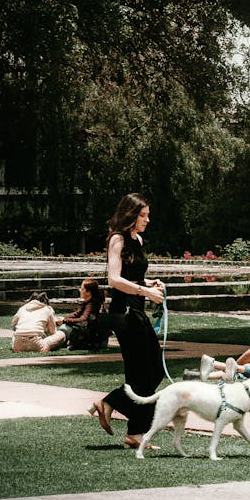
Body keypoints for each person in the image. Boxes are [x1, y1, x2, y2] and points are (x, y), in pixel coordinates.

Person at [88, 192, 165, 450]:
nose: (147, 220)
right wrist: (146, 292)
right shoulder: (117, 239)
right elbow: (114, 279)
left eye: (148, 215)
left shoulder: (138, 239)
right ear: (131, 215)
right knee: (147, 371)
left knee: (150, 371)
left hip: (137, 311)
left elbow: (133, 277)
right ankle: (112, 404)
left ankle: (132, 430)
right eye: (143, 215)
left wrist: (148, 284)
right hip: (125, 314)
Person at [50, 278, 104, 351]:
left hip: (88, 336)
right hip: (87, 333)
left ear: (88, 292)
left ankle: (51, 344)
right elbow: (76, 314)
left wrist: (64, 321)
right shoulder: (88, 303)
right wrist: (63, 318)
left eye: (82, 289)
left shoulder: (91, 305)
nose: (79, 290)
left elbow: (83, 320)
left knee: (64, 328)